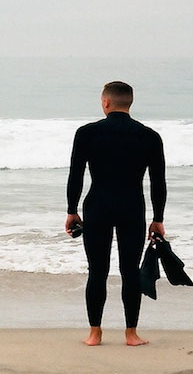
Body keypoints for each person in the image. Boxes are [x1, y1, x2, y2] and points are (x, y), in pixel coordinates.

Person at [65, 81, 166, 346]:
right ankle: (131, 334)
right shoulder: (149, 136)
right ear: (129, 103)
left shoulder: (86, 133)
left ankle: (94, 333)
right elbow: (158, 182)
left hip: (97, 207)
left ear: (106, 102)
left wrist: (72, 210)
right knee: (130, 271)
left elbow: (75, 175)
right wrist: (158, 218)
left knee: (97, 271)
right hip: (132, 208)